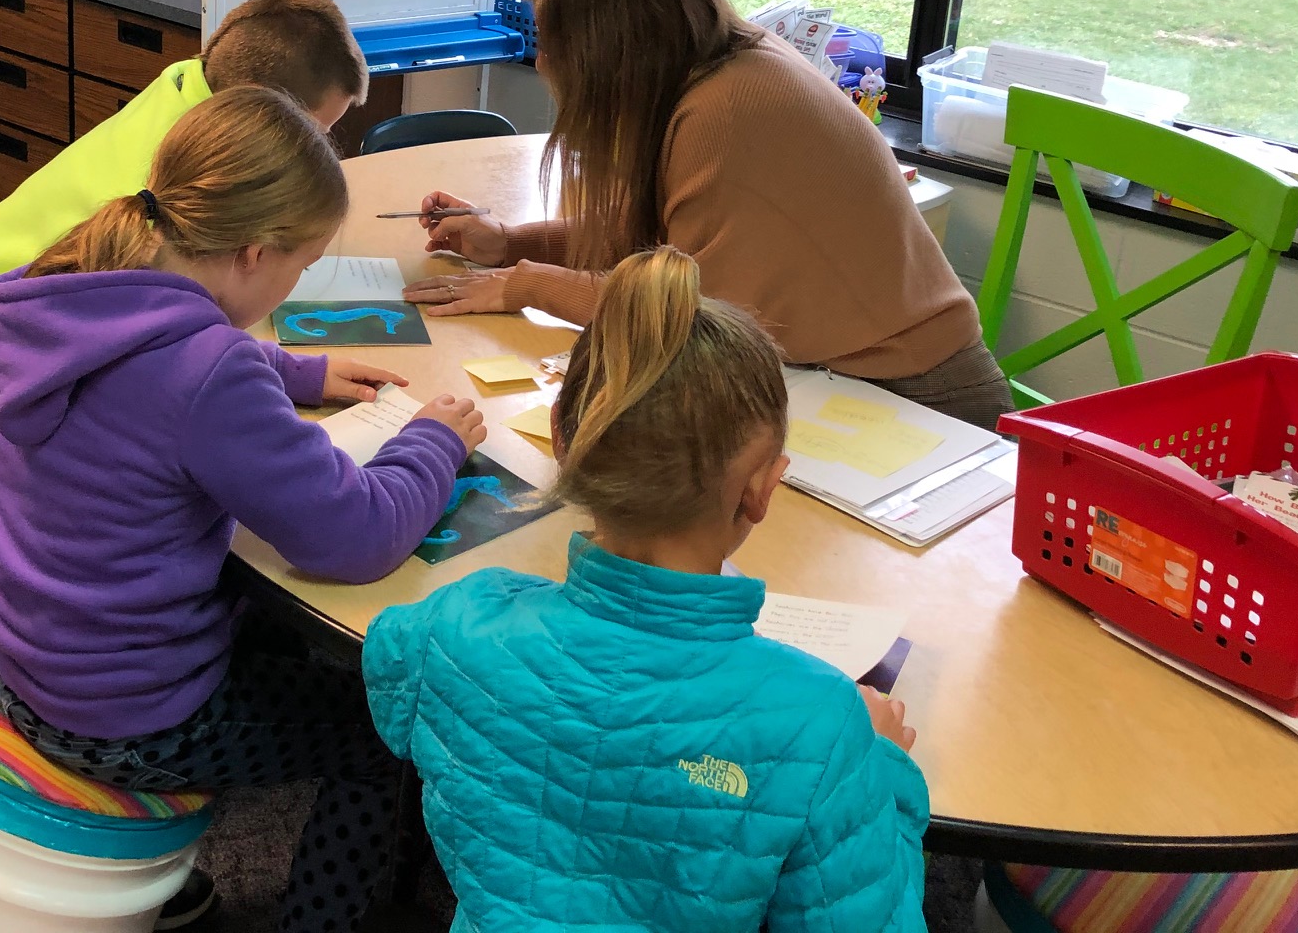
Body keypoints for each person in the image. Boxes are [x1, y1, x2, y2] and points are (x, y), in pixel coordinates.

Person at [0, 86, 485, 932]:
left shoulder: (84, 274)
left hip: (34, 658)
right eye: (301, 266)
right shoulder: (210, 373)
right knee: (380, 740)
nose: (295, 283)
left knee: (286, 625)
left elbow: (166, 357)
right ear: (255, 254)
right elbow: (354, 538)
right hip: (125, 715)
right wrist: (434, 441)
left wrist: (301, 374)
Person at [363, 247, 928, 932]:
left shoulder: (457, 622)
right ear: (762, 489)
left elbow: (391, 665)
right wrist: (882, 774)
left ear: (564, 446)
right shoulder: (822, 726)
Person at [403, 0, 1011, 428]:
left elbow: (674, 308)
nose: (540, 60)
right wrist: (510, 243)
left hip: (910, 399)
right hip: (838, 378)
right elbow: (665, 241)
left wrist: (526, 282)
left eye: (552, 42)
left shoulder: (728, 112)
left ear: (613, 49)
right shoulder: (714, 72)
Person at [0, 0, 369, 518]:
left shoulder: (189, 93)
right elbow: (179, 362)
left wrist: (290, 371)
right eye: (313, 133)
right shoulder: (182, 199)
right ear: (256, 115)